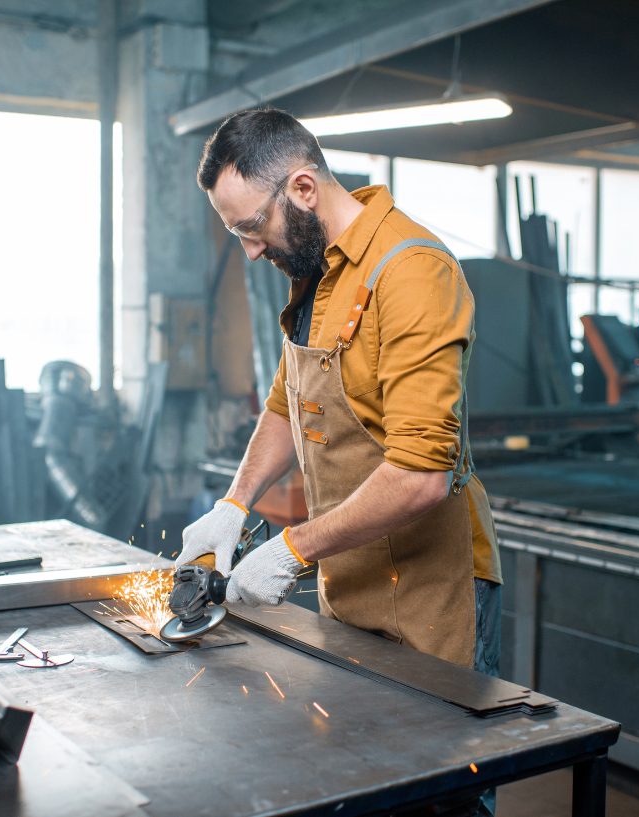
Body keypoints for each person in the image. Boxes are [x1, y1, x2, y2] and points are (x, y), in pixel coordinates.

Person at [175, 107, 502, 679]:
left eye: (252, 228)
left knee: (439, 757)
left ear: (303, 188)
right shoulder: (317, 274)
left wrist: (292, 548)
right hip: (349, 579)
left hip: (432, 588)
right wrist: (234, 503)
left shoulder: (411, 272)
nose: (251, 251)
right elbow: (287, 403)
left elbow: (420, 475)